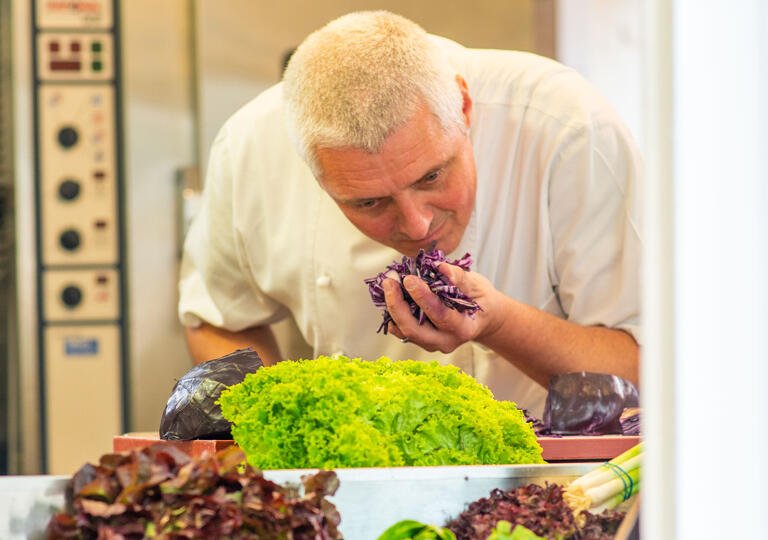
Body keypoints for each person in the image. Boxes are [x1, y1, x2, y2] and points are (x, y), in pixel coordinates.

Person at [178, 11, 642, 416]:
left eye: (432, 177)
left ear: (463, 107)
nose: (417, 225)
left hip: (557, 487)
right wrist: (274, 424)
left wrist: (499, 322)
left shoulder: (566, 126)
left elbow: (645, 369)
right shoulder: (251, 147)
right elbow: (218, 316)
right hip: (349, 491)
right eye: (368, 202)